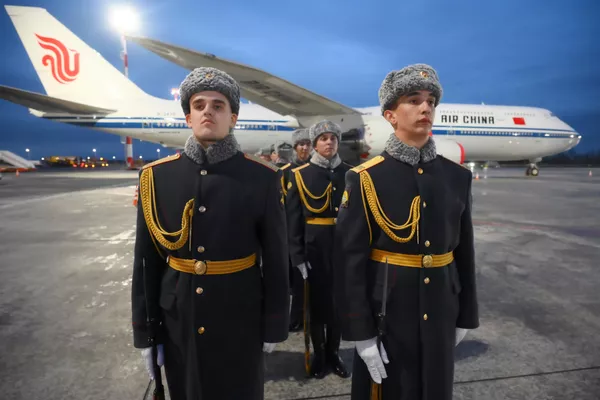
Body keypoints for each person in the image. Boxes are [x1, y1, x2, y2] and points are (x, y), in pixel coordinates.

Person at [131, 66, 290, 400]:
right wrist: (147, 332)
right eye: (199, 105)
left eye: (218, 105)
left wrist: (275, 322)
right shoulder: (157, 177)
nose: (208, 111)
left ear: (233, 117)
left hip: (240, 315)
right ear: (188, 117)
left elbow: (276, 256)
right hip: (178, 318)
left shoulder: (261, 177)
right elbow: (146, 262)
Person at [334, 64, 479, 400]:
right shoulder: (366, 177)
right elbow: (349, 262)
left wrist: (465, 315)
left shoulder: (456, 177)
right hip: (388, 318)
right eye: (414, 100)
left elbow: (464, 253)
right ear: (390, 115)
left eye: (431, 101)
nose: (425, 107)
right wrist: (361, 332)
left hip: (442, 310)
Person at [286, 120, 352, 379]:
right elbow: (293, 221)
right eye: (323, 138)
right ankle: (320, 354)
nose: (329, 142)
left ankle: (334, 353)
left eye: (333, 138)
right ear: (315, 144)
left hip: (343, 250)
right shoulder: (300, 175)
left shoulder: (350, 173)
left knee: (337, 306)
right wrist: (297, 257)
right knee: (314, 307)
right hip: (313, 252)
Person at [283, 128, 312, 331]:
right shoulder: (285, 171)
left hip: (309, 231)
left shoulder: (314, 170)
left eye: (307, 144)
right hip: (288, 232)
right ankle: (293, 319)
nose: (304, 148)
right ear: (295, 147)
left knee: (306, 280)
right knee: (292, 279)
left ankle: (306, 317)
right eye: (301, 144)